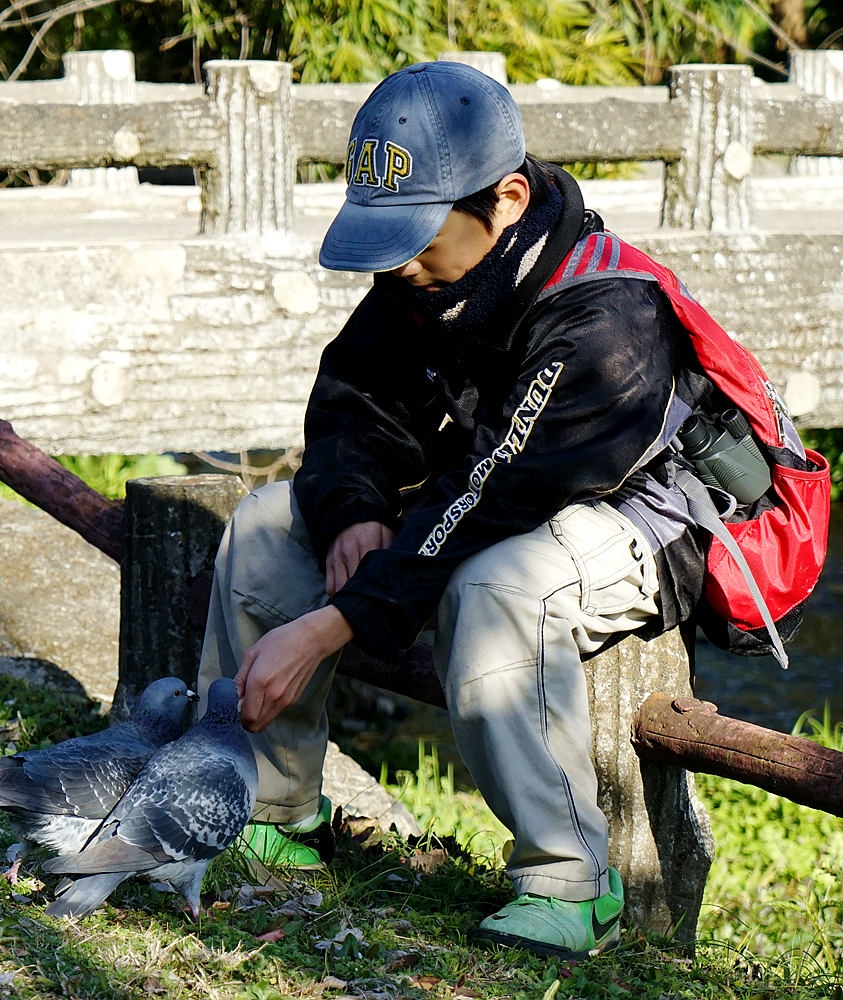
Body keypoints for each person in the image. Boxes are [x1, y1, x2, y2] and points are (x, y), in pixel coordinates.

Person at [196, 60, 717, 961]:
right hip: (492, 499)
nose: (396, 261)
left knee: (495, 591)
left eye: (415, 235)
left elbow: (496, 492)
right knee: (269, 528)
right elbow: (355, 403)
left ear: (507, 199)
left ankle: (570, 878)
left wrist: (335, 625)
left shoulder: (605, 320)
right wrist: (355, 510)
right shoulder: (428, 278)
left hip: (643, 520)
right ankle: (275, 809)